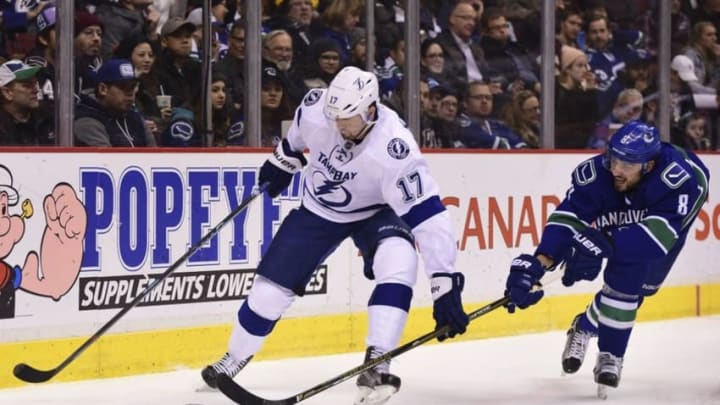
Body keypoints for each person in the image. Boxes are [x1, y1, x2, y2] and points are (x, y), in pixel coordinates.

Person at [201, 66, 469, 404]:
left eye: (348, 118)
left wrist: (444, 282)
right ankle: (234, 357)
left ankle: (378, 359)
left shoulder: (394, 149)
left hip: (376, 210)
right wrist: (283, 161)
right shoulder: (318, 109)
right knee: (268, 292)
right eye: (335, 116)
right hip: (320, 209)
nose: (339, 125)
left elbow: (428, 217)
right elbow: (297, 135)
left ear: (371, 109)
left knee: (399, 260)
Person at [503, 120, 710, 393]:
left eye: (626, 165)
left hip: (667, 223)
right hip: (629, 217)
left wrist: (603, 244)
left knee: (642, 288)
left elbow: (657, 239)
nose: (616, 170)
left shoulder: (679, 180)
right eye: (614, 160)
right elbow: (569, 217)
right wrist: (540, 262)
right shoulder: (600, 174)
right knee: (625, 280)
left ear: (647, 165)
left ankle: (585, 325)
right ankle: (611, 356)